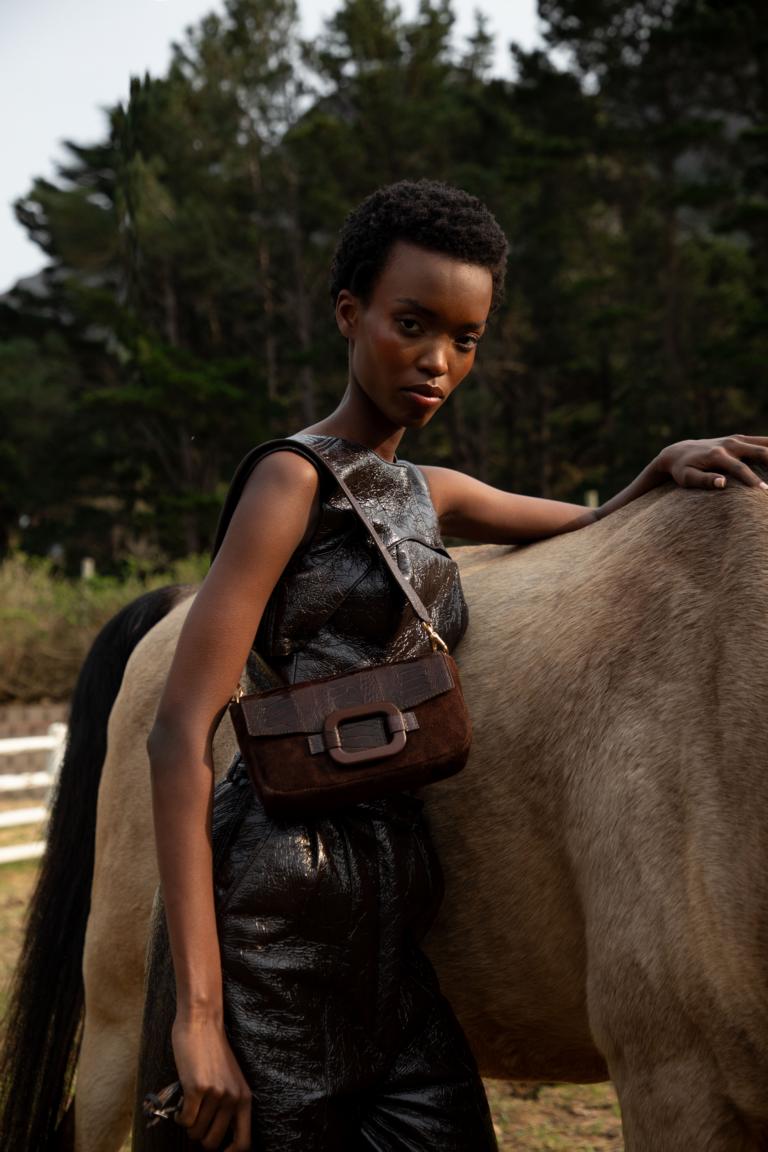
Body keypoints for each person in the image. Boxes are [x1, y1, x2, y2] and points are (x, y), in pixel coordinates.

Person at [134, 179, 768, 1152]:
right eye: (413, 324)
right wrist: (198, 1017)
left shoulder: (431, 492)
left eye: (465, 339)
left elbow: (597, 528)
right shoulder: (289, 482)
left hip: (399, 908)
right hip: (282, 902)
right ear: (349, 314)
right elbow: (178, 736)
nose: (438, 361)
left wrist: (664, 464)